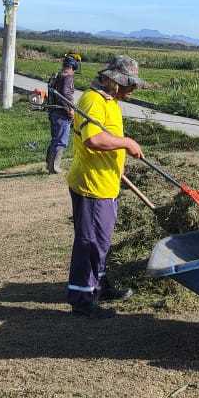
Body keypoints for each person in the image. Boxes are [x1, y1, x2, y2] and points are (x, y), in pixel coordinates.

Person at [66, 54, 146, 318]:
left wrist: (119, 166)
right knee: (89, 242)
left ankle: (99, 286)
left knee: (102, 242)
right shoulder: (92, 100)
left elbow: (107, 137)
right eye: (129, 84)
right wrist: (127, 143)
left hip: (108, 183)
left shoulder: (112, 102)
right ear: (114, 81)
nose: (132, 90)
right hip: (91, 184)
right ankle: (82, 299)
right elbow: (93, 139)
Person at [45, 52, 81, 174]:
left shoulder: (58, 75)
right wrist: (70, 110)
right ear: (73, 65)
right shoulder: (68, 77)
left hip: (54, 111)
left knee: (55, 139)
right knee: (61, 140)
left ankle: (49, 165)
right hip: (62, 113)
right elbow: (65, 94)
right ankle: (54, 167)